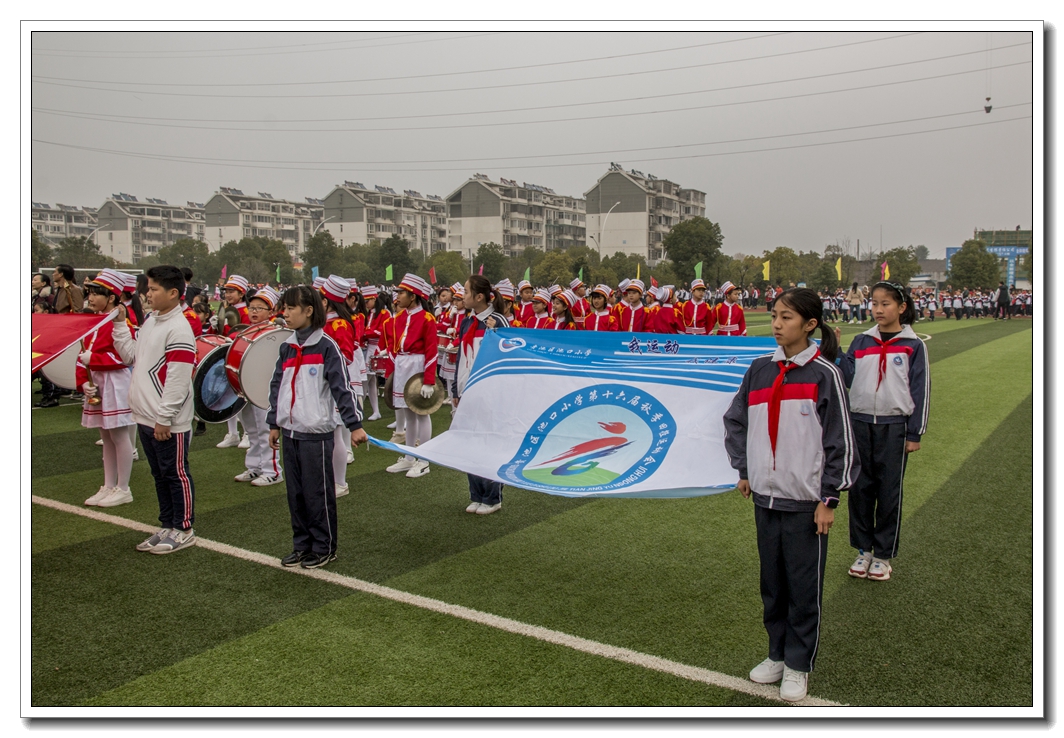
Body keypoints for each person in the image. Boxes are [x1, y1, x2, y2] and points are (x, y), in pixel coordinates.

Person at [723, 287, 858, 703]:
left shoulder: (825, 375)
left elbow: (842, 443)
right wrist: (745, 469)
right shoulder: (760, 369)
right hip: (765, 498)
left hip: (806, 504)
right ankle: (777, 653)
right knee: (773, 584)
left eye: (786, 318)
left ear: (810, 324)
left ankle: (799, 663)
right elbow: (736, 420)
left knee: (803, 586)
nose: (777, 325)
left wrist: (828, 499)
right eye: (775, 316)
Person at [835, 282, 929, 583]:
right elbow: (848, 376)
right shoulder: (862, 341)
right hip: (860, 423)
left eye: (885, 303)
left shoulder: (914, 345)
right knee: (860, 490)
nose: (877, 309)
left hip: (894, 427)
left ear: (901, 307)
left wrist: (914, 433)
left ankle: (883, 555)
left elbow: (920, 390)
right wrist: (836, 352)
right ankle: (863, 550)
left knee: (889, 492)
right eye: (874, 303)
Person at [267, 286, 367, 570]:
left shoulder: (327, 346)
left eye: (290, 308)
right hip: (290, 433)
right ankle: (302, 546)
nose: (284, 313)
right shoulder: (286, 347)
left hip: (316, 434)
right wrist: (275, 422)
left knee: (318, 494)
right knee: (295, 494)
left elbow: (342, 388)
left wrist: (354, 424)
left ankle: (324, 547)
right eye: (283, 308)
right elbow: (277, 386)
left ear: (309, 310)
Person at [110, 265, 199, 555]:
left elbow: (177, 378)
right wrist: (120, 326)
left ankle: (184, 528)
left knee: (175, 473)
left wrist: (165, 418)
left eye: (154, 289)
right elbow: (132, 356)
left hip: (167, 420)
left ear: (173, 293)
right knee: (159, 474)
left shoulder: (179, 328)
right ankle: (167, 524)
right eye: (148, 288)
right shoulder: (152, 321)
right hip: (147, 415)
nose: (147, 294)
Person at [79, 269, 137, 508]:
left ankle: (123, 487)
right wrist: (83, 381)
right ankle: (108, 485)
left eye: (96, 293)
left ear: (111, 297)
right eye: (89, 293)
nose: (90, 298)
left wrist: (94, 359)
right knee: (105, 434)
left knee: (119, 435)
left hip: (115, 382)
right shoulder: (93, 320)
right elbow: (80, 355)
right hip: (99, 383)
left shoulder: (121, 322)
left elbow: (126, 359)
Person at [452, 274, 509, 514]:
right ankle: (475, 494)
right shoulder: (467, 321)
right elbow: (461, 358)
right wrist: (455, 389)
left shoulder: (498, 321)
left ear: (479, 297)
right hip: (468, 389)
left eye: (466, 292)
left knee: (489, 441)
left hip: (490, 392)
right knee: (469, 441)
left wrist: (495, 334)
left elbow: (509, 355)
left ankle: (492, 496)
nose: (462, 296)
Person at [382, 274, 438, 478]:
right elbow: (392, 346)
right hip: (402, 365)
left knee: (422, 412)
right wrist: (390, 373)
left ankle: (424, 460)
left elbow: (432, 351)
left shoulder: (427, 318)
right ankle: (409, 456)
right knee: (407, 413)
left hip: (418, 364)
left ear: (413, 296)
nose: (397, 297)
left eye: (401, 293)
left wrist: (429, 380)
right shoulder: (398, 318)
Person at [232, 285, 285, 487]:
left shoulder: (275, 331)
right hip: (247, 387)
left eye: (259, 308)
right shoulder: (248, 330)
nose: (253, 312)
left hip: (265, 389)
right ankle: (254, 467)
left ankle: (273, 470)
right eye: (251, 307)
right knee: (251, 429)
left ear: (271, 311)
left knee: (265, 430)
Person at [319, 275, 359, 496]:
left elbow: (347, 356)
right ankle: (331, 480)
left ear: (325, 302)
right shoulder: (323, 323)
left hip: (333, 385)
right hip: (322, 386)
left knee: (336, 436)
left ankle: (340, 482)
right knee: (328, 435)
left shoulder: (340, 324)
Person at [362, 285, 390, 422]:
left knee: (365, 380)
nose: (366, 304)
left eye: (367, 301)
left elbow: (382, 332)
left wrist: (365, 333)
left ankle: (358, 409)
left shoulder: (385, 314)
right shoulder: (369, 314)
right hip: (369, 347)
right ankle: (375, 411)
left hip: (379, 348)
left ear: (374, 298)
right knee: (371, 381)